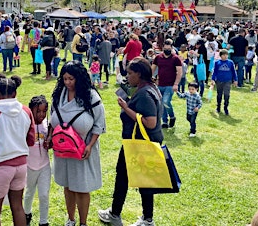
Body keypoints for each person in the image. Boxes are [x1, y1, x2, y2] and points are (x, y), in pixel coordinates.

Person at [98, 57, 163, 226]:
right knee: (144, 181)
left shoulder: (144, 94)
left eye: (130, 73)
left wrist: (126, 108)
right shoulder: (151, 88)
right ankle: (147, 219)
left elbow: (151, 122)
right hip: (145, 142)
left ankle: (115, 214)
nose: (127, 76)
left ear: (139, 74)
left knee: (123, 178)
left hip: (138, 143)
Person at [49, 61, 106, 226]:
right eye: (65, 79)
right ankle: (71, 219)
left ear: (79, 79)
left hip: (82, 149)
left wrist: (90, 145)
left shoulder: (91, 97)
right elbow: (52, 116)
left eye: (71, 79)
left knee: (81, 187)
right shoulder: (59, 94)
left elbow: (99, 124)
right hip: (62, 150)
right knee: (67, 185)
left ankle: (83, 222)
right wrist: (51, 136)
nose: (68, 83)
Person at [0, 74, 35, 226]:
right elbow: (31, 140)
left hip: (0, 167)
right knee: (17, 207)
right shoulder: (26, 111)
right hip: (21, 166)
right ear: (15, 93)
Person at [24, 95, 51, 226]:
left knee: (44, 195)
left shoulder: (47, 125)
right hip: (29, 166)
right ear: (31, 110)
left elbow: (51, 141)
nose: (41, 114)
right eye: (38, 111)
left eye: (44, 111)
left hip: (44, 165)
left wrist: (49, 142)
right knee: (29, 192)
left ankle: (44, 221)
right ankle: (26, 213)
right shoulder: (26, 125)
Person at [151, 39, 183, 129]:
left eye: (169, 48)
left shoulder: (176, 58)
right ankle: (164, 121)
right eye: (165, 48)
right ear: (163, 48)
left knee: (166, 101)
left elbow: (179, 72)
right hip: (160, 83)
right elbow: (152, 69)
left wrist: (176, 84)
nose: (167, 50)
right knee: (161, 103)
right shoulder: (158, 57)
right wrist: (149, 77)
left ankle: (172, 116)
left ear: (172, 48)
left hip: (170, 84)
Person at [211, 49, 238, 115]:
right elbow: (214, 72)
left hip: (227, 81)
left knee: (226, 94)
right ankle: (218, 107)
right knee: (219, 94)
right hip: (219, 81)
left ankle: (226, 107)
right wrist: (213, 79)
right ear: (220, 56)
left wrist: (235, 80)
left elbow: (233, 71)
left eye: (226, 55)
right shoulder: (217, 62)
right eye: (224, 55)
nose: (225, 56)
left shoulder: (230, 62)